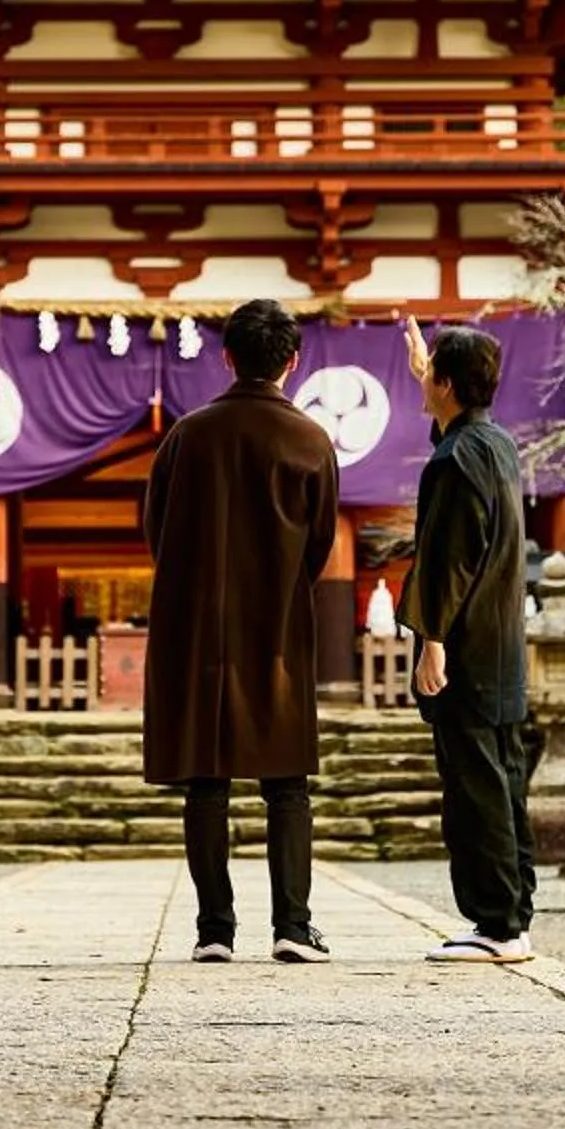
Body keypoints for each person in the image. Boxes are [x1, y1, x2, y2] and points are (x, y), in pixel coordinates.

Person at [141, 298, 341, 964]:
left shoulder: (187, 435)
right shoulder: (312, 441)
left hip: (198, 629)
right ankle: (292, 923)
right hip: (278, 626)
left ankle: (214, 930)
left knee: (207, 778)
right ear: (292, 360)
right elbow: (320, 544)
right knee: (287, 782)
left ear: (226, 357)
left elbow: (156, 530)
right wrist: (281, 585)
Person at [404, 325, 536, 963]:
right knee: (505, 781)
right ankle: (511, 917)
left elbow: (447, 560)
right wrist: (426, 385)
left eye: (433, 377)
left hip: (467, 646)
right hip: (503, 644)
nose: (426, 383)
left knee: (476, 788)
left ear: (448, 384)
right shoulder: (496, 444)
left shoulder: (453, 460)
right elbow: (457, 435)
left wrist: (432, 641)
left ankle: (495, 923)